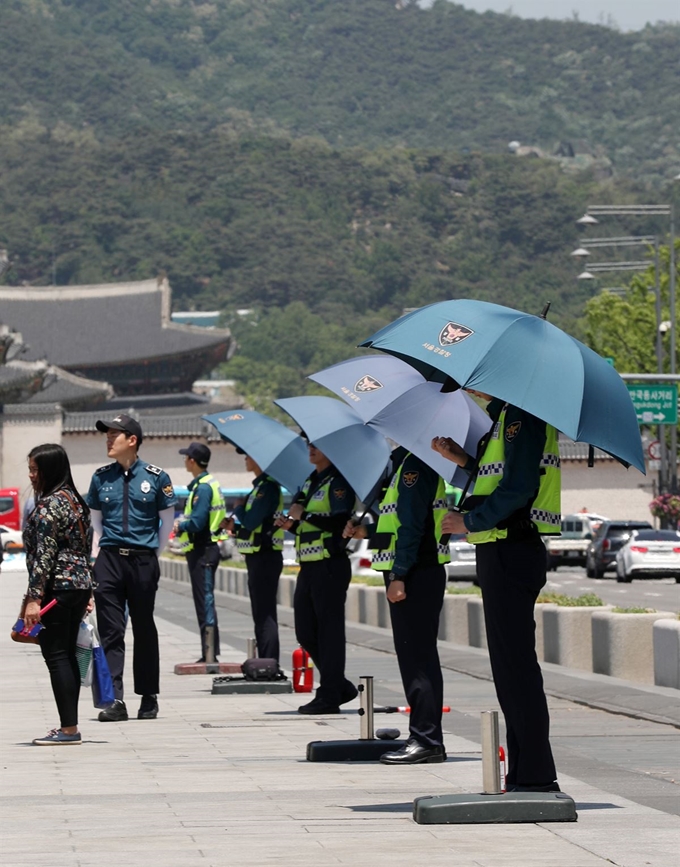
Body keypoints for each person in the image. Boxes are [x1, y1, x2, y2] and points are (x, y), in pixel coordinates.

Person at [432, 389, 561, 792]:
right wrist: (464, 461)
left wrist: (469, 521)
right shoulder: (504, 418)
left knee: (516, 669)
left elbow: (518, 488)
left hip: (511, 546)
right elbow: (501, 479)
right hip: (503, 546)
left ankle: (537, 776)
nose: (469, 388)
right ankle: (524, 772)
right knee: (510, 670)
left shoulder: (521, 416)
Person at [344, 447, 450, 764]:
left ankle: (427, 739)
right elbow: (395, 530)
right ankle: (424, 736)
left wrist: (399, 575)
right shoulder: (402, 465)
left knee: (418, 660)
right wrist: (367, 533)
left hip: (416, 573)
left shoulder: (414, 466)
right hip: (412, 570)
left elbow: (413, 529)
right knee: (414, 657)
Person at [87, 414, 176, 722]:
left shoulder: (156, 477)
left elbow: (167, 521)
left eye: (115, 435)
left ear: (132, 440)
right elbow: (95, 520)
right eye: (107, 435)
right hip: (109, 559)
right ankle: (115, 699)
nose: (109, 440)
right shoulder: (100, 477)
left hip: (143, 560)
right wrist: (97, 556)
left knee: (144, 627)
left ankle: (149, 696)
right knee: (111, 630)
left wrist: (154, 553)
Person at [275, 442, 357, 714]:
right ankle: (339, 685)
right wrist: (292, 525)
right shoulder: (311, 482)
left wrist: (304, 514)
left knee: (329, 633)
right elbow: (307, 526)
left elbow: (339, 522)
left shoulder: (338, 482)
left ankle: (330, 693)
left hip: (329, 564)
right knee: (305, 632)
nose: (310, 448)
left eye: (318, 445)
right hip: (308, 564)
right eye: (308, 443)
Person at [23, 444, 93, 745]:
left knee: (57, 656)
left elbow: (44, 554)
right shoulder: (76, 502)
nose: (31, 475)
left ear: (50, 470)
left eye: (35, 469)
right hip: (78, 587)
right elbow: (84, 549)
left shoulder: (50, 504)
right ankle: (69, 725)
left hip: (57, 589)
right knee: (65, 654)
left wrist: (33, 598)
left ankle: (69, 730)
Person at [222, 449, 283, 662]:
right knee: (259, 612)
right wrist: (234, 527)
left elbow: (251, 521)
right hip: (256, 555)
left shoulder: (267, 489)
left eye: (248, 455)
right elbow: (255, 527)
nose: (246, 459)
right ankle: (265, 660)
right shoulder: (258, 488)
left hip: (265, 556)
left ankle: (269, 661)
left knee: (265, 612)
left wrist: (238, 510)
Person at [174, 442, 225, 663]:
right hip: (202, 551)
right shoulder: (203, 485)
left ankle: (210, 653)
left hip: (203, 550)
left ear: (192, 461)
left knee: (205, 601)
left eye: (186, 457)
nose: (185, 461)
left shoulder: (203, 488)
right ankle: (208, 651)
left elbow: (197, 522)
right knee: (203, 601)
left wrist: (180, 526)